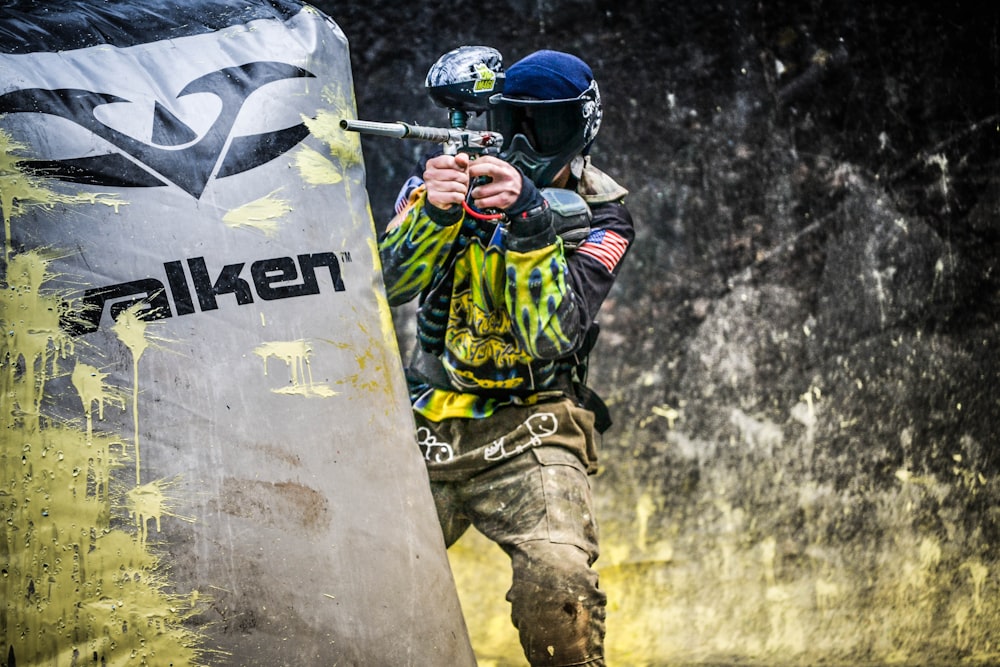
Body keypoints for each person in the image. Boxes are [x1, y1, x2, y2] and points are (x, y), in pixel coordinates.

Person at [378, 49, 634, 666]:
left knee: (558, 587)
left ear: (580, 128)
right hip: (427, 423)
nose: (523, 143)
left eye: (541, 127)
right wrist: (435, 214)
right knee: (362, 581)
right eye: (510, 122)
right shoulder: (444, 186)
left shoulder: (603, 216)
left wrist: (527, 224)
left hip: (536, 427)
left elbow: (551, 336)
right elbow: (385, 289)